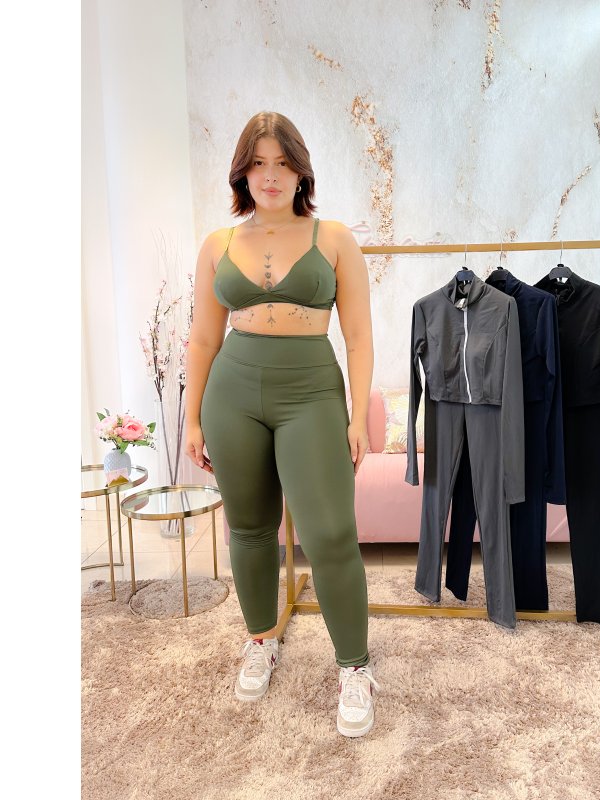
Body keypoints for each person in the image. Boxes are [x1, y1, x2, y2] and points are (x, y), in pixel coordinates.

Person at [183, 111, 379, 738]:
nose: (270, 176)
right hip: (232, 392)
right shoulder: (217, 244)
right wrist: (191, 418)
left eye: (282, 163)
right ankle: (261, 640)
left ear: (301, 172)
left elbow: (358, 336)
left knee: (329, 534)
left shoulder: (334, 238)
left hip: (311, 392)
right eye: (258, 164)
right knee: (249, 527)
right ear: (242, 173)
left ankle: (354, 666)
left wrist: (357, 415)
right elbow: (203, 338)